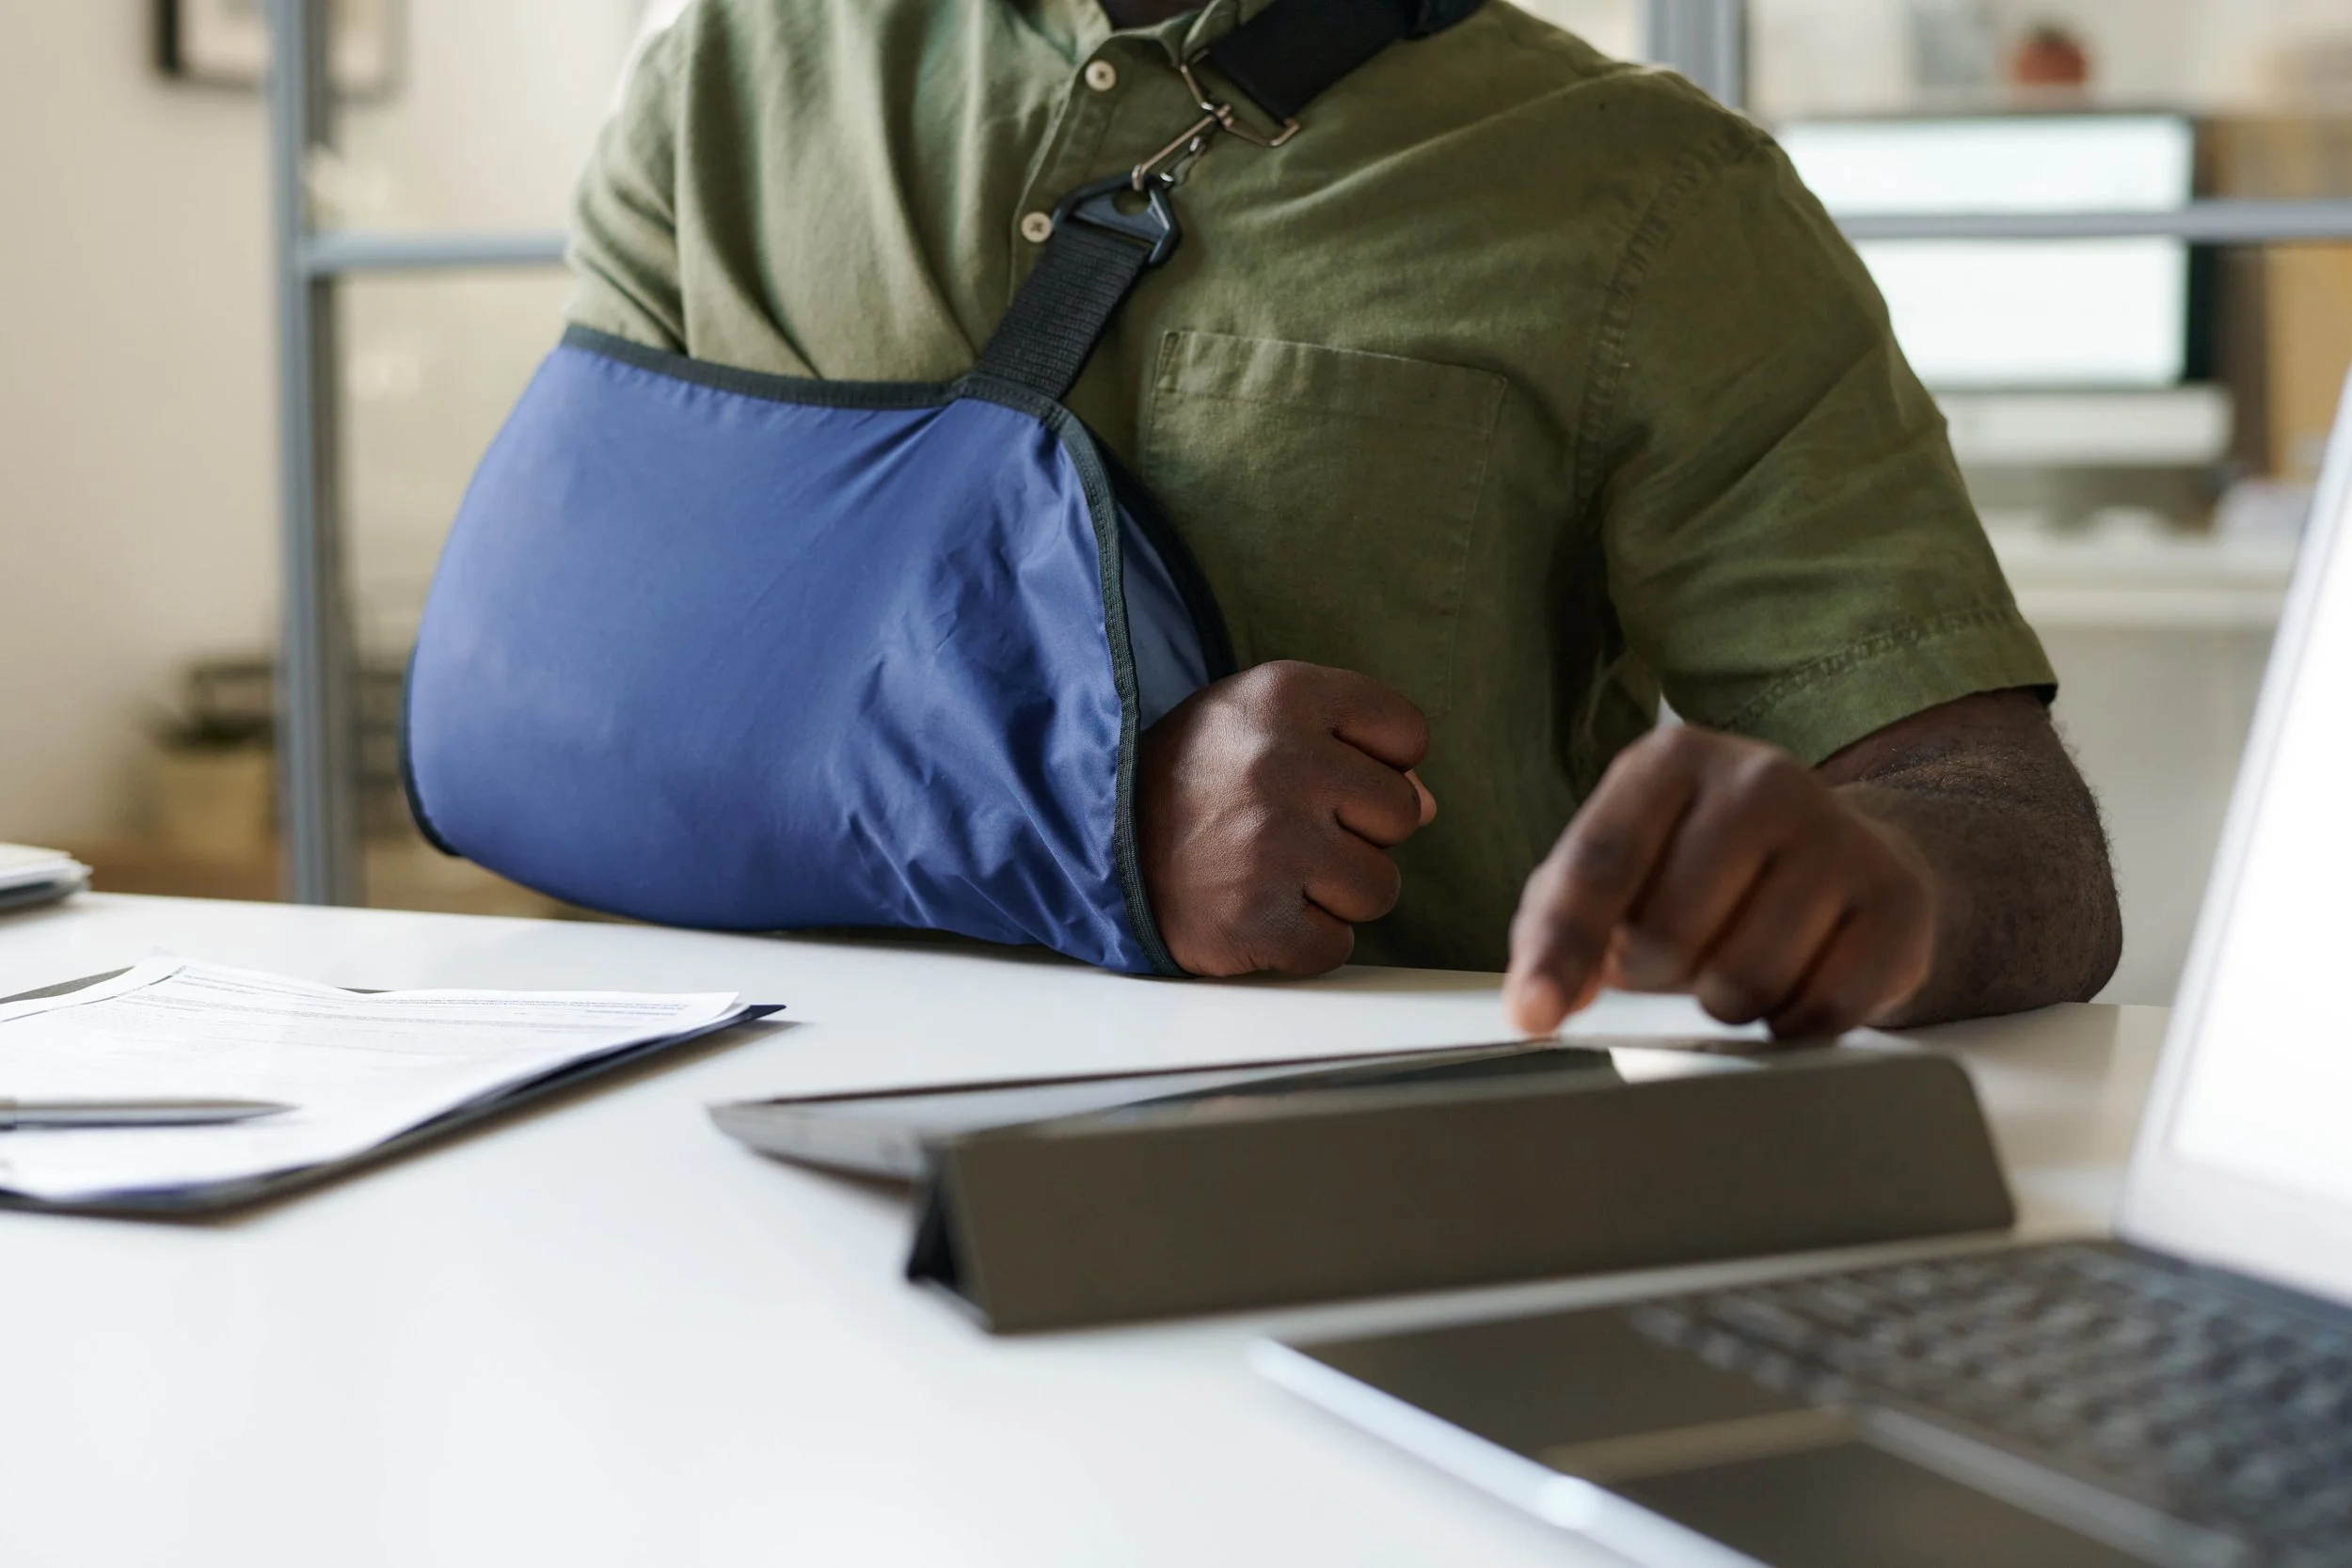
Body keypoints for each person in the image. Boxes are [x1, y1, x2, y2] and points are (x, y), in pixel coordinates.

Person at [567, 0, 2122, 1037]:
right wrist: (1091, 821)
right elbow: (564, 704)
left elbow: (2012, 826)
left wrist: (1877, 883)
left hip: (1372, 1222)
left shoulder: (1665, 200)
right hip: (736, 1175)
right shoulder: (720, 75)